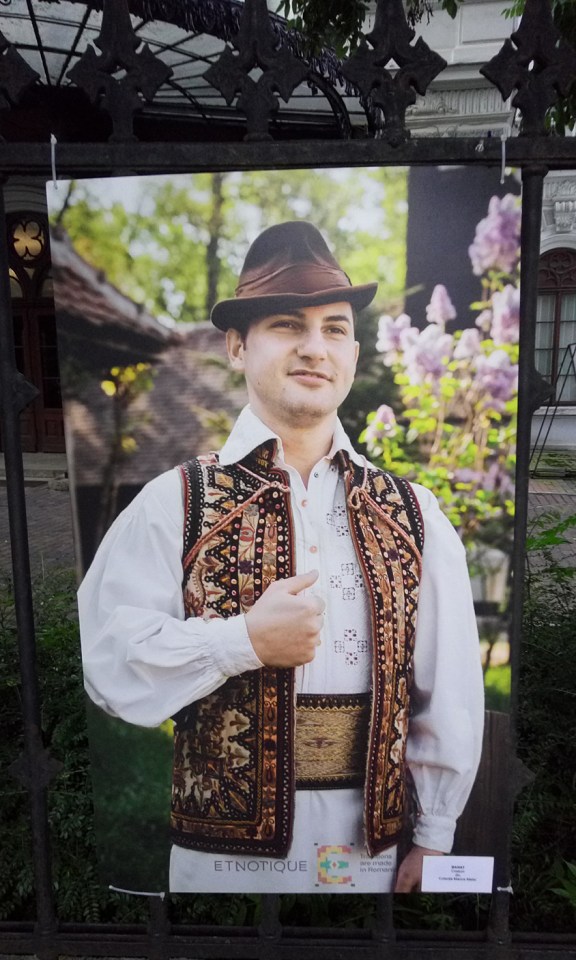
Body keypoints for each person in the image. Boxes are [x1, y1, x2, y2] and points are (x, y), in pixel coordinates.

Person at [78, 221, 484, 894]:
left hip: (371, 858)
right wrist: (242, 641)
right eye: (287, 325)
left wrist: (436, 833)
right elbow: (107, 660)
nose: (314, 347)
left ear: (354, 351)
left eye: (334, 328)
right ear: (238, 345)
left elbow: (451, 686)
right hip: (221, 866)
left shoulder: (414, 515)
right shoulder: (175, 502)